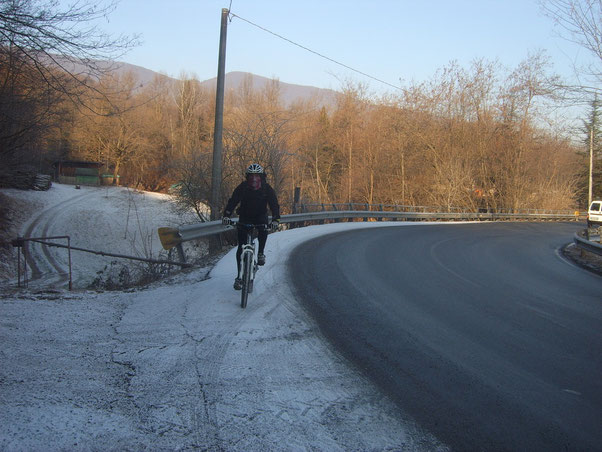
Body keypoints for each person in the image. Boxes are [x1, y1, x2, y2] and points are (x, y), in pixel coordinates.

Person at [221, 163, 280, 290]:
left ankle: (260, 253)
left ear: (261, 176)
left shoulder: (266, 188)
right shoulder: (242, 187)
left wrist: (276, 219)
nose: (254, 178)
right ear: (247, 176)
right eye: (251, 175)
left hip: (260, 216)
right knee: (241, 248)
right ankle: (239, 277)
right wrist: (226, 215)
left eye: (257, 175)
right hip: (245, 217)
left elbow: (274, 204)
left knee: (263, 230)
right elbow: (233, 201)